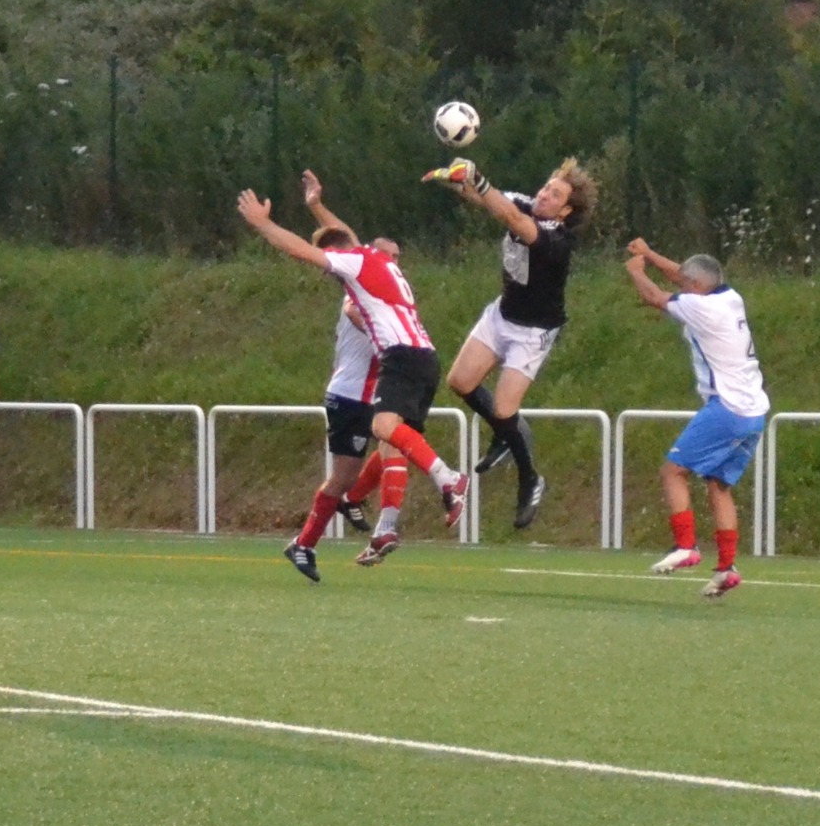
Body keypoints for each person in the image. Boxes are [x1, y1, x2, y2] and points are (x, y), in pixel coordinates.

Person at [238, 172, 468, 583]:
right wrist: (294, 215)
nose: (393, 257)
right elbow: (338, 253)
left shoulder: (366, 266)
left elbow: (327, 244)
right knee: (353, 469)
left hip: (388, 375)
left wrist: (289, 215)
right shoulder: (362, 280)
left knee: (390, 443)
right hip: (352, 394)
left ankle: (392, 520)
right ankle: (320, 538)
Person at [421, 155, 598, 530]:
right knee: (460, 381)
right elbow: (484, 198)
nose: (545, 195)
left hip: (533, 331)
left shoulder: (559, 240)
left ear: (566, 210)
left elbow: (514, 220)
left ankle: (531, 479)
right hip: (502, 315)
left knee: (504, 410)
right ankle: (505, 435)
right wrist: (452, 178)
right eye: (547, 187)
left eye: (555, 195)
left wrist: (480, 178)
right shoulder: (524, 203)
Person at [623, 238, 768, 599]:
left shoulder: (700, 307)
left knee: (673, 471)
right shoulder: (729, 296)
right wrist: (651, 253)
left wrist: (637, 271)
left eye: (688, 285)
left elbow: (654, 296)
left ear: (698, 287)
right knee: (718, 485)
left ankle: (686, 546)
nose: (682, 287)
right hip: (754, 411)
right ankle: (727, 568)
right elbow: (682, 276)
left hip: (726, 407)